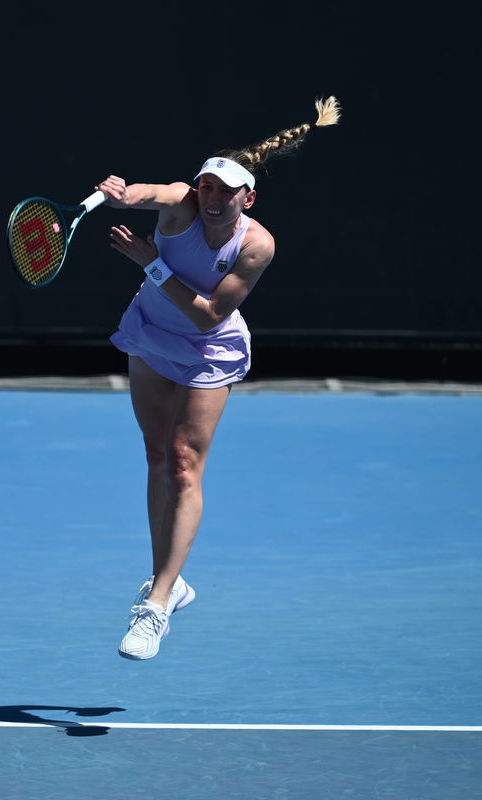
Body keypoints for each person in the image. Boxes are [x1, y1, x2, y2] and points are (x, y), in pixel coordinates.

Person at [96, 97, 341, 660]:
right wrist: (120, 192)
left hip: (209, 348)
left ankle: (155, 605)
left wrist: (149, 264)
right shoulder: (182, 204)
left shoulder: (256, 245)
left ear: (247, 198)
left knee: (184, 460)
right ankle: (172, 582)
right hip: (151, 337)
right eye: (206, 187)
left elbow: (208, 313)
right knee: (157, 456)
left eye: (225, 191)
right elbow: (145, 194)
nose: (211, 198)